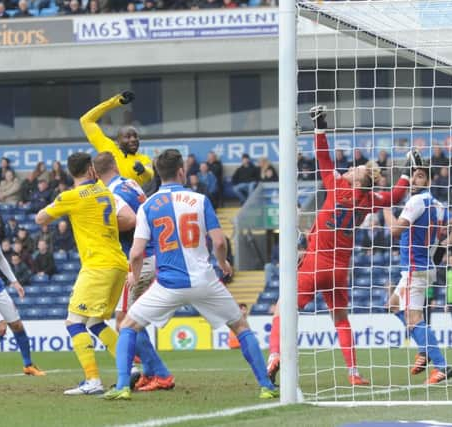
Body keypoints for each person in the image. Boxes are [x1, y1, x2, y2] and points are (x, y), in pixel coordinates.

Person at [102, 149, 278, 400]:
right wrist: (224, 264)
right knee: (240, 326)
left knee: (128, 325)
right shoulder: (199, 199)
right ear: (182, 171)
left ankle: (122, 386)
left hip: (168, 285)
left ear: (159, 174)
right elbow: (218, 242)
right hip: (204, 280)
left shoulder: (148, 205)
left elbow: (137, 252)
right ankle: (266, 386)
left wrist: (135, 276)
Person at [267, 106, 413, 386]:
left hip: (314, 263)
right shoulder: (369, 200)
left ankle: (274, 355)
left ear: (357, 179)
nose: (347, 170)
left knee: (282, 309)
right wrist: (407, 170)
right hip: (340, 270)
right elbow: (396, 194)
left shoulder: (335, 186)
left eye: (353, 169)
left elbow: (323, 156)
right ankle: (354, 373)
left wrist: (320, 127)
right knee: (341, 319)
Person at [35, 152, 135, 396]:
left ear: (71, 173)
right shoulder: (105, 192)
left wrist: (62, 205)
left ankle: (92, 380)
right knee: (95, 322)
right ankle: (131, 368)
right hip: (118, 264)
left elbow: (40, 218)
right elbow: (125, 217)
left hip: (97, 266)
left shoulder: (70, 197)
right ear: (91, 169)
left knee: (73, 322)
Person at [93, 151, 174, 392]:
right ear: (116, 165)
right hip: (151, 254)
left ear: (96, 174)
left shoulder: (111, 192)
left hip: (138, 259)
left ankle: (160, 373)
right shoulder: (131, 183)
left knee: (124, 322)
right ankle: (150, 372)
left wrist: (104, 227)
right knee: (132, 319)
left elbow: (128, 220)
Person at [386, 161, 452, 384]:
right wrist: (442, 247)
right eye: (412, 176)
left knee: (413, 320)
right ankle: (424, 350)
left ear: (428, 181)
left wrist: (383, 207)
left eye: (420, 176)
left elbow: (394, 231)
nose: (414, 180)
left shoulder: (416, 201)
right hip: (422, 268)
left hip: (415, 269)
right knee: (392, 304)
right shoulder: (438, 205)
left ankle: (441, 366)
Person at [80, 91, 154, 188]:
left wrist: (143, 170)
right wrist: (115, 102)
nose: (133, 139)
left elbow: (150, 175)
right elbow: (86, 120)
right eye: (128, 137)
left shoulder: (144, 159)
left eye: (135, 136)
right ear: (118, 141)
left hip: (129, 202)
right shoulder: (108, 147)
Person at [0, 246, 45, 376]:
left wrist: (15, 282)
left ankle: (28, 365)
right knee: (1, 327)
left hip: (0, 289)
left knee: (17, 326)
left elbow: (1, 259)